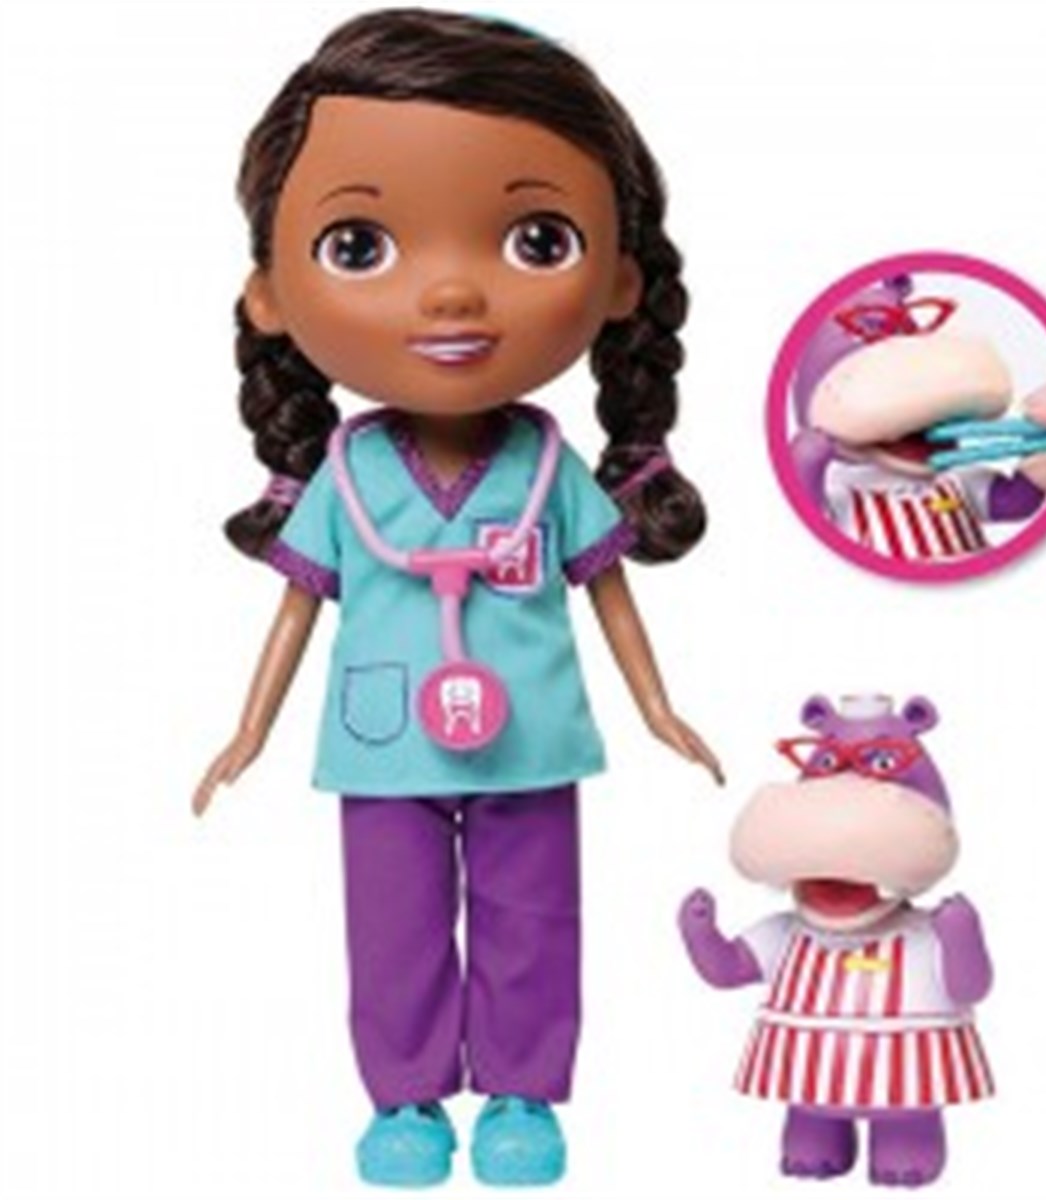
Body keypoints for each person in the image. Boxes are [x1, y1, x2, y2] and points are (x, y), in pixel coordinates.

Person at [191, 9, 722, 1188]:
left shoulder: (547, 466)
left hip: (531, 736)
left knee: (536, 919)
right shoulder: (345, 474)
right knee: (391, 930)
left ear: (621, 281)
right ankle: (408, 1102)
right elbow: (299, 608)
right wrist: (248, 729)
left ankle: (525, 1094)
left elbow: (608, 593)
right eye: (360, 245)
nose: (447, 294)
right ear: (269, 293)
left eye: (536, 240)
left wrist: (658, 708)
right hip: (383, 741)